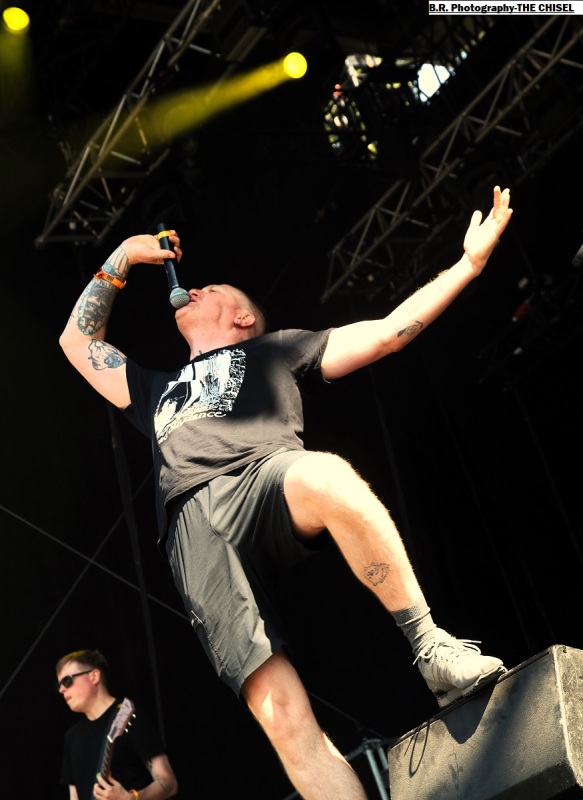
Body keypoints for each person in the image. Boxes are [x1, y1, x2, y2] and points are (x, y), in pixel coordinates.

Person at [59, 185, 513, 800]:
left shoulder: (275, 349)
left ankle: (430, 645)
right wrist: (121, 258)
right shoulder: (152, 389)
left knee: (327, 475)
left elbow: (387, 333)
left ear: (242, 317)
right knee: (283, 719)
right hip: (192, 528)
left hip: (263, 476)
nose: (194, 290)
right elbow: (76, 342)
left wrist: (468, 265)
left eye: (211, 289)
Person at [56, 649, 179, 800]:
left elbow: (169, 783)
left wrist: (131, 798)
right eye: (59, 685)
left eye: (67, 681)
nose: (61, 689)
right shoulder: (71, 737)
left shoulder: (129, 716)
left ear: (94, 676)